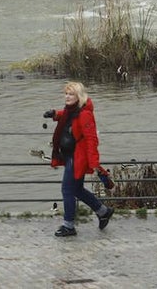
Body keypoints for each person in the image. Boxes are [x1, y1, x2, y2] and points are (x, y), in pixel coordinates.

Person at [43, 81, 114, 236]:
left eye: (71, 94)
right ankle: (103, 212)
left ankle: (69, 226)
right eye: (66, 93)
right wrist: (55, 114)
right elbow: (67, 116)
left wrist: (94, 163)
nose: (67, 97)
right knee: (77, 189)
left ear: (79, 96)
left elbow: (91, 139)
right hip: (69, 155)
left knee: (67, 190)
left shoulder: (85, 114)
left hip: (77, 158)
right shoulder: (72, 110)